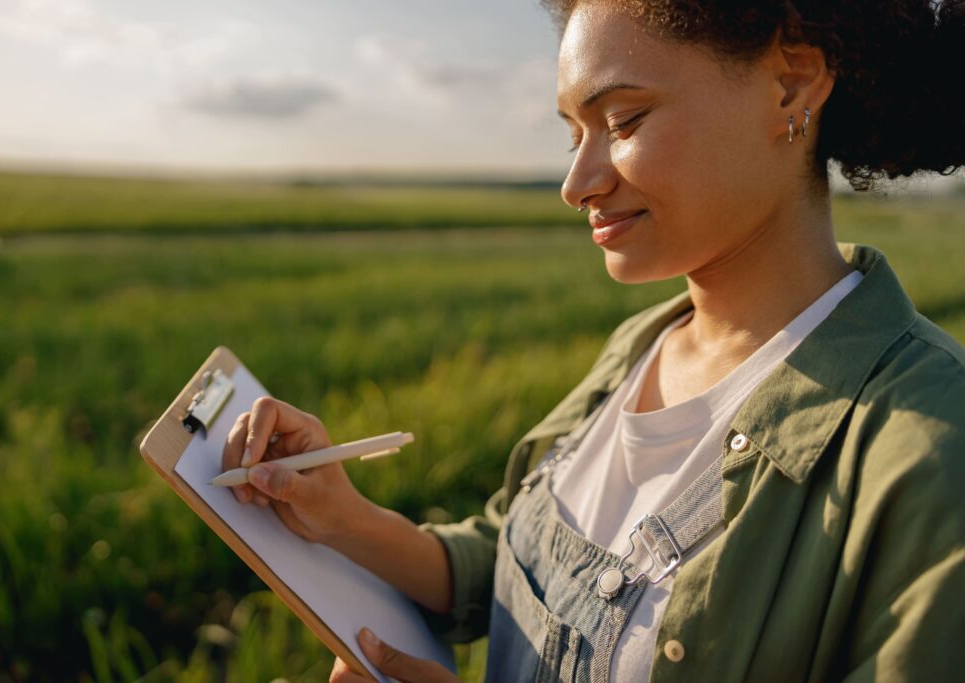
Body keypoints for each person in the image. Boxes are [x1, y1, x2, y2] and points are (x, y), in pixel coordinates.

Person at [221, 1, 965, 680]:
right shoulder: (641, 348)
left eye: (624, 121)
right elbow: (518, 568)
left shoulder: (929, 448)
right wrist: (346, 517)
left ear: (791, 84)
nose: (576, 183)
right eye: (574, 133)